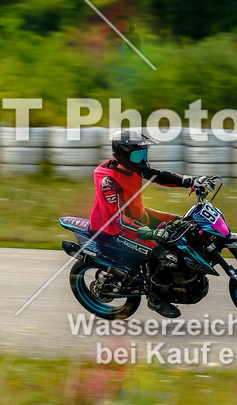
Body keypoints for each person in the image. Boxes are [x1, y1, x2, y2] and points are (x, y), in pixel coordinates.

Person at [89, 129, 212, 318]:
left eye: (144, 154)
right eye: (138, 155)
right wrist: (152, 233)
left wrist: (191, 181)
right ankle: (155, 299)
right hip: (114, 230)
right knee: (166, 256)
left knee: (185, 223)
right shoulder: (108, 180)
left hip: (139, 217)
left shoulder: (133, 167)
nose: (143, 159)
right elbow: (119, 219)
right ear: (122, 155)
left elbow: (159, 176)